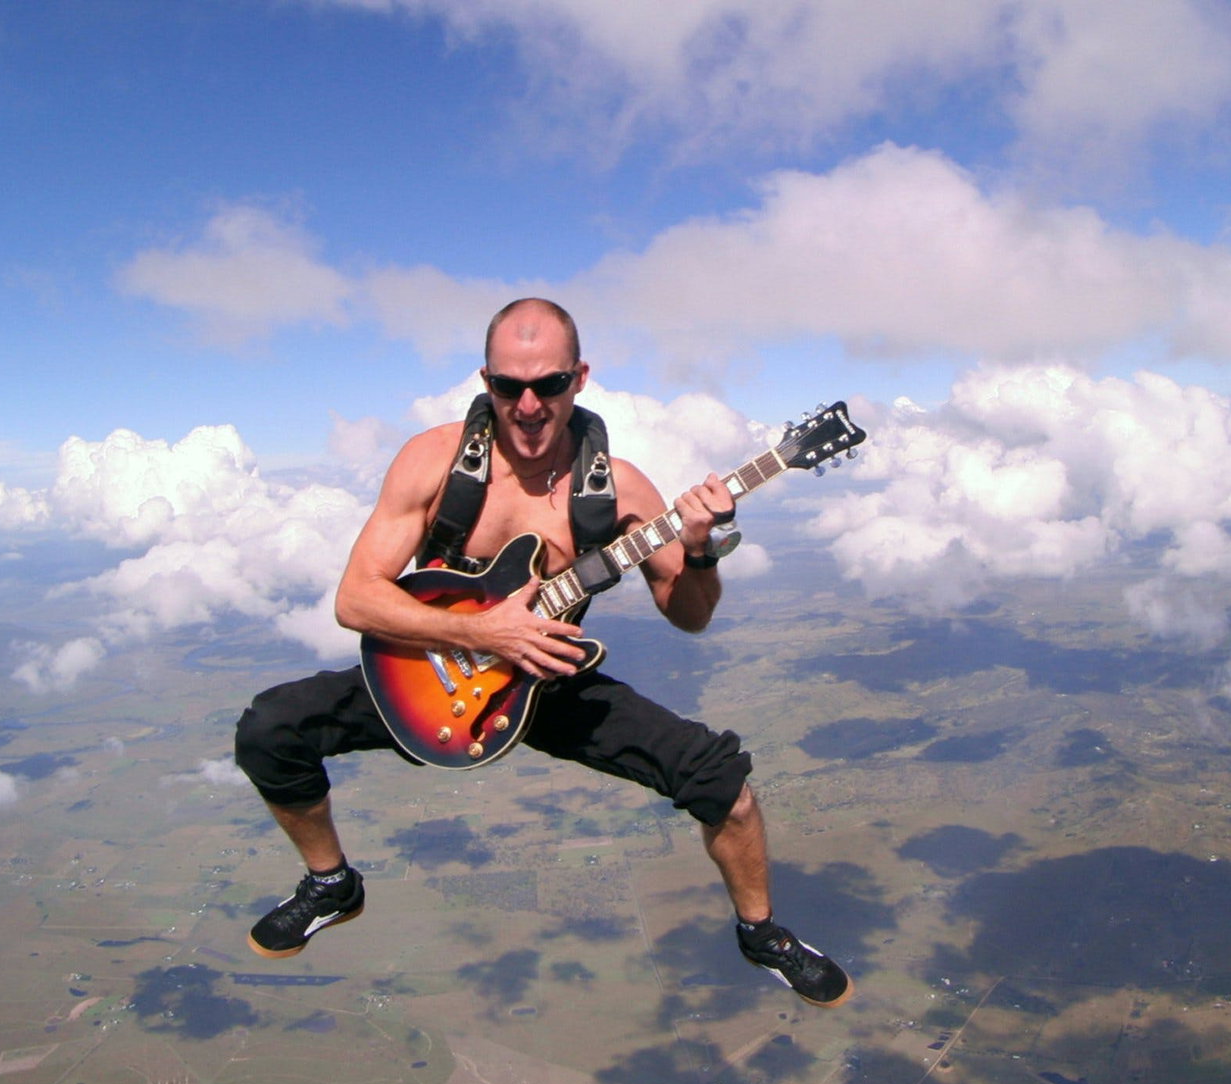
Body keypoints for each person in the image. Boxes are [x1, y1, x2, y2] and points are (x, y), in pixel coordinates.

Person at [233, 298, 851, 1008]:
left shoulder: (617, 486)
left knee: (727, 791)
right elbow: (356, 600)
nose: (527, 405)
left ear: (580, 378)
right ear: (486, 380)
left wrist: (702, 549)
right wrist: (482, 632)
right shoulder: (433, 461)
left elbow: (689, 617)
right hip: (431, 674)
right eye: (507, 386)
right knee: (270, 729)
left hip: (551, 680)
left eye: (549, 385)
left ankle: (761, 934)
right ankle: (330, 884)